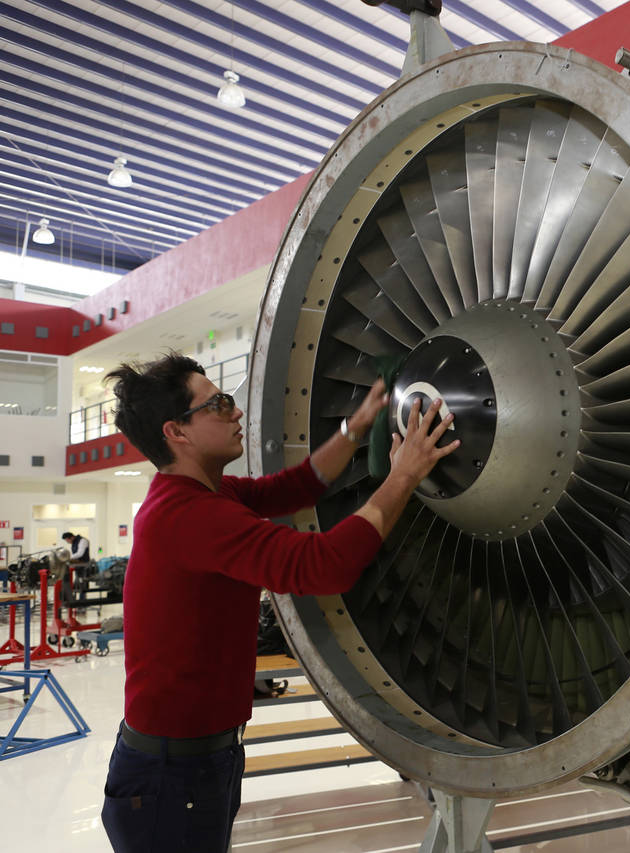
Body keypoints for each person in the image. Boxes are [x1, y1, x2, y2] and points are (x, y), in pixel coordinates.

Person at [99, 352, 458, 852]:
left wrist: (356, 427)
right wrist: (403, 476)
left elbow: (296, 486)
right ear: (176, 432)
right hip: (172, 776)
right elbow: (323, 565)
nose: (236, 411)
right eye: (217, 404)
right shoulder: (190, 516)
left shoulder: (206, 494)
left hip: (193, 761)